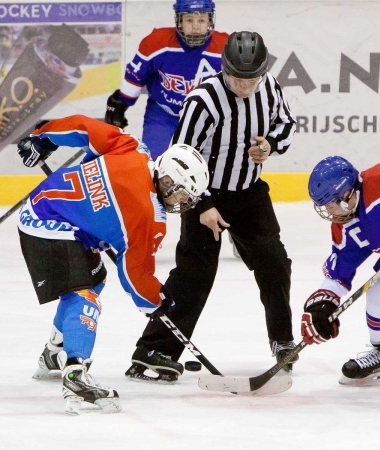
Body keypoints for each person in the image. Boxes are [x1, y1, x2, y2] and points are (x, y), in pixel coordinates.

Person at [124, 31, 298, 384]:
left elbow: (286, 124)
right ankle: (153, 351)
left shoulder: (269, 87)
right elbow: (178, 157)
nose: (245, 85)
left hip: (248, 191)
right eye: (237, 77)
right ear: (224, 68)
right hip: (202, 193)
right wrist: (202, 204)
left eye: (252, 77)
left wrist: (271, 145)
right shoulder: (202, 100)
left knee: (274, 262)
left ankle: (282, 339)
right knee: (195, 273)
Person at [16, 115, 209, 413]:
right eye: (183, 194)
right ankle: (75, 373)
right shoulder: (151, 219)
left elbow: (83, 127)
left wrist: (44, 136)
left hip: (50, 208)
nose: (182, 204)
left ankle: (55, 352)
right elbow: (135, 275)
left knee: (93, 280)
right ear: (168, 180)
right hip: (49, 223)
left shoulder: (134, 149)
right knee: (84, 295)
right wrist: (155, 299)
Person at [300, 152, 380, 385]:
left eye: (330, 204)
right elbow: (338, 273)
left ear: (347, 194)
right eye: (325, 207)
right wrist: (322, 304)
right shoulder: (347, 227)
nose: (330, 213)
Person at [104, 0, 228, 160]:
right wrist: (120, 105)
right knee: (152, 164)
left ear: (210, 21)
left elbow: (237, 87)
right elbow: (135, 77)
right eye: (189, 20)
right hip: (163, 114)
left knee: (209, 168)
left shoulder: (225, 48)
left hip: (205, 118)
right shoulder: (157, 43)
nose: (196, 26)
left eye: (201, 20)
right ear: (179, 21)